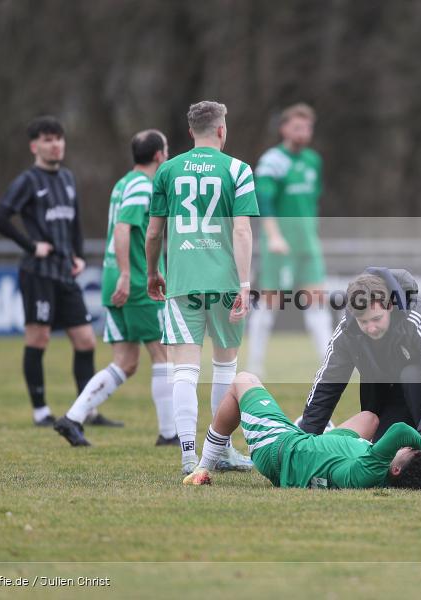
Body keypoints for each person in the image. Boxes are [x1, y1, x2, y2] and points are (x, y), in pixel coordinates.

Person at [299, 268, 421, 489]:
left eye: (376, 318)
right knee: (383, 460)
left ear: (390, 306)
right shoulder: (348, 329)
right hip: (400, 393)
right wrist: (303, 444)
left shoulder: (419, 316)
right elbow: (326, 385)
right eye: (364, 322)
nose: (370, 328)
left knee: (413, 374)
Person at [145, 101, 259, 475]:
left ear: (191, 131)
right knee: (225, 366)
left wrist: (152, 273)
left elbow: (154, 232)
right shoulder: (238, 170)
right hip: (225, 282)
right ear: (222, 130)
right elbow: (242, 230)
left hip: (183, 280)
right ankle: (220, 452)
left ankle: (188, 457)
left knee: (184, 371)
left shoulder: (168, 171)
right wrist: (244, 283)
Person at [54, 130, 179, 447]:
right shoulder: (141, 185)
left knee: (126, 361)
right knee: (162, 353)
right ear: (159, 156)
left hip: (117, 276)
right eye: (166, 149)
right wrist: (127, 274)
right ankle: (169, 433)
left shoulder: (124, 182)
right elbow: (123, 228)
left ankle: (73, 418)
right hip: (136, 280)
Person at [0, 116, 117, 427]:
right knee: (39, 338)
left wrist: (78, 256)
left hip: (64, 271)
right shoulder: (28, 181)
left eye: (59, 138)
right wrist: (31, 245)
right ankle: (40, 412)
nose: (56, 144)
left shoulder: (68, 179)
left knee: (86, 340)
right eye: (48, 139)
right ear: (35, 146)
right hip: (38, 272)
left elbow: (74, 223)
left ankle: (86, 410)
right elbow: (0, 218)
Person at [184, 372, 421, 490]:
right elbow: (386, 432)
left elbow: (400, 430)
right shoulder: (376, 471)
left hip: (281, 449)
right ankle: (316, 435)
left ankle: (205, 463)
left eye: (405, 451)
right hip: (312, 451)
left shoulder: (373, 469)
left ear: (396, 469)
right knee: (369, 418)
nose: (400, 447)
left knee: (243, 381)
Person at [247, 103, 331, 376]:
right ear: (284, 129)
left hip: (307, 243)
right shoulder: (273, 161)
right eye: (297, 127)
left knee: (317, 301)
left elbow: (312, 201)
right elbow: (265, 201)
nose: (303, 132)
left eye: (307, 127)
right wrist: (273, 236)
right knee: (270, 303)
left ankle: (329, 364)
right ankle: (255, 364)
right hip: (280, 245)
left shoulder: (312, 161)